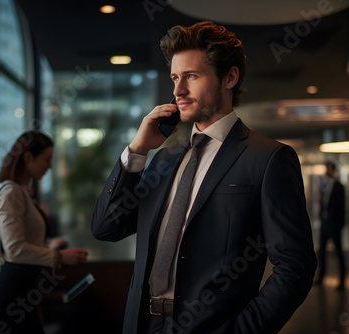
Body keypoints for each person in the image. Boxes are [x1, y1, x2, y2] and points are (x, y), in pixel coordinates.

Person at [91, 21, 316, 334]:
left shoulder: (269, 159)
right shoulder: (163, 161)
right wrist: (138, 149)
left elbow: (296, 266)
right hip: (143, 324)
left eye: (191, 76)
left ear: (230, 77)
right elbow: (106, 227)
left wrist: (242, 330)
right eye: (174, 77)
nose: (177, 90)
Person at [0, 130, 89, 333]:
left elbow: (22, 241)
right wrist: (59, 256)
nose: (49, 166)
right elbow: (15, 250)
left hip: (22, 290)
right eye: (46, 160)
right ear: (27, 157)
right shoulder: (11, 192)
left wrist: (49, 244)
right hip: (12, 294)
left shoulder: (22, 192)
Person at [315, 161, 346, 290]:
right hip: (325, 223)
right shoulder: (323, 186)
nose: (325, 172)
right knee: (321, 252)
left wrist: (340, 224)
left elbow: (342, 207)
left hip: (335, 224)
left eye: (327, 169)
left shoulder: (339, 187)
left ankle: (342, 280)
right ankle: (321, 277)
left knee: (338, 252)